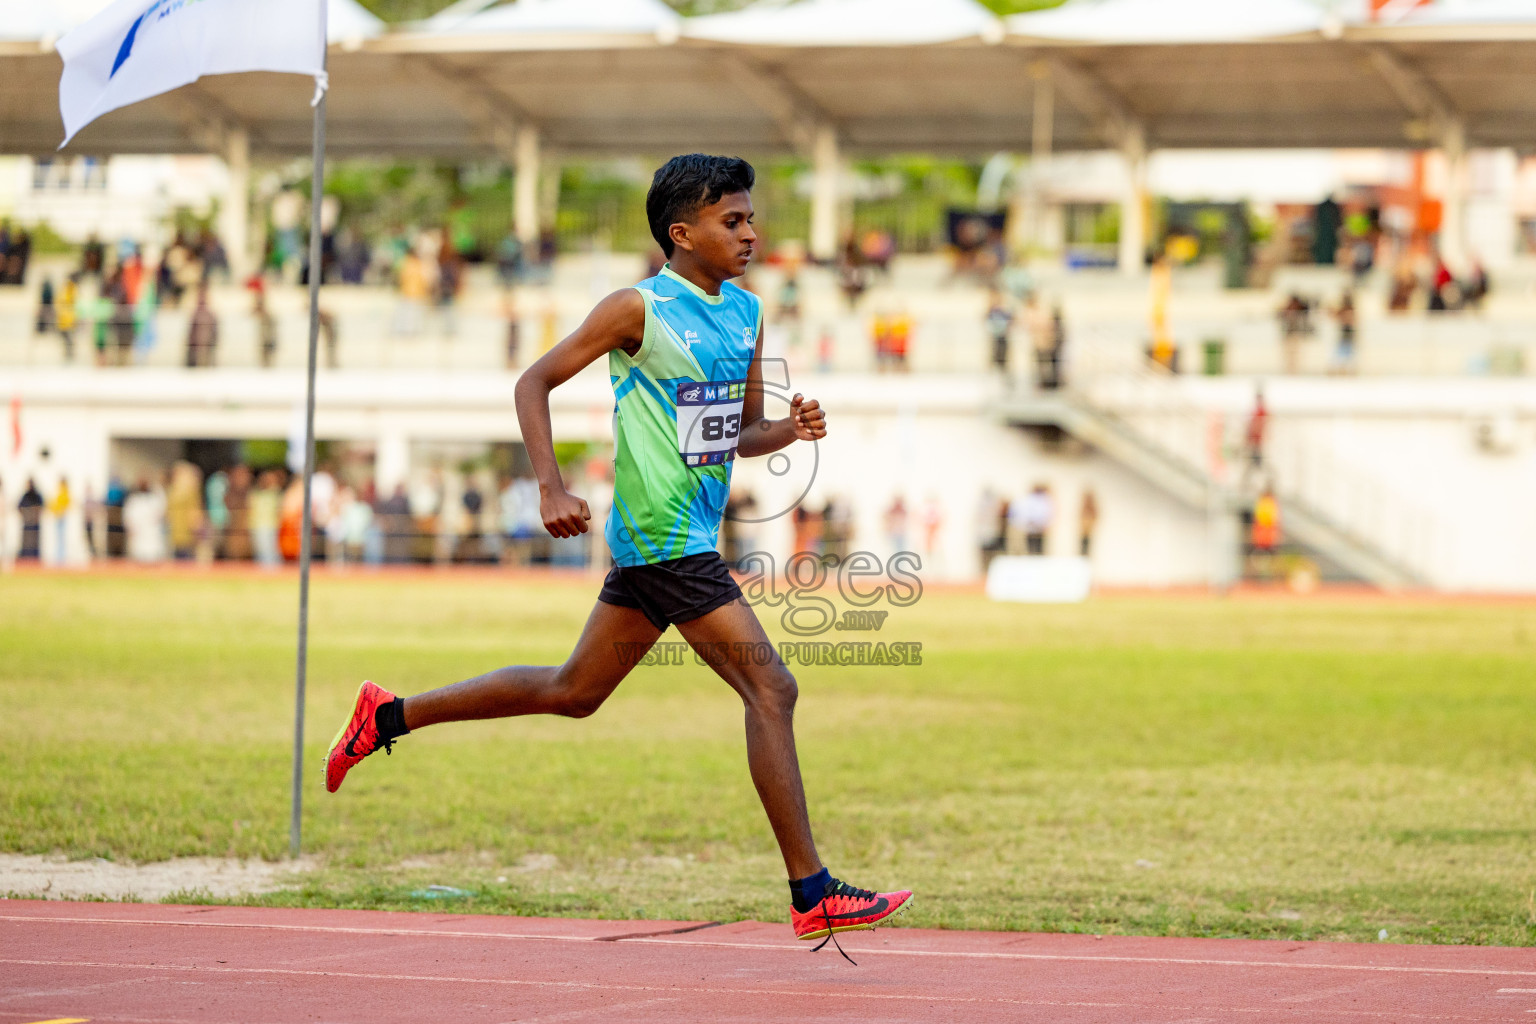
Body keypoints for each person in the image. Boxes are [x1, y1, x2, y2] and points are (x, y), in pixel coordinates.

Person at [322, 154, 911, 949]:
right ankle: (812, 891)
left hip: (685, 538)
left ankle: (386, 714)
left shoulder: (746, 314)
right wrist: (550, 486)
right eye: (732, 221)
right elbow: (533, 382)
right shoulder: (636, 309)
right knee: (773, 688)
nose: (750, 232)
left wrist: (790, 430)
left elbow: (734, 433)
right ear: (682, 233)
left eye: (749, 217)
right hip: (660, 535)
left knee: (574, 691)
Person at [984, 289, 1012, 378]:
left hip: (1003, 336)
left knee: (1003, 358)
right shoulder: (991, 310)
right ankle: (991, 376)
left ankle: (1004, 376)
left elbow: (1010, 320)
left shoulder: (1004, 310)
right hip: (994, 336)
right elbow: (985, 319)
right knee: (993, 356)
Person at [1021, 483, 1053, 556]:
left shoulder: (1045, 499)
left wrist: (1044, 524)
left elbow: (1047, 513)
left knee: (1039, 550)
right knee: (1031, 549)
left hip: (1040, 529)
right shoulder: (1029, 499)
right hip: (1031, 528)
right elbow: (1026, 512)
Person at [18, 479, 45, 560]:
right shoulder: (25, 496)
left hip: (35, 524)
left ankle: (34, 557)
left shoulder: (37, 496)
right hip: (27, 524)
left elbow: (41, 507)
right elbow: (20, 507)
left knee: (34, 542)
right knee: (27, 542)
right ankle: (26, 557)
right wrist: (27, 514)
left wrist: (34, 513)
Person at [1078, 490, 1098, 557]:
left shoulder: (1091, 507)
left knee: (1087, 546)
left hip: (1088, 530)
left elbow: (1094, 517)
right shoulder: (1084, 507)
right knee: (1082, 546)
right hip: (1083, 529)